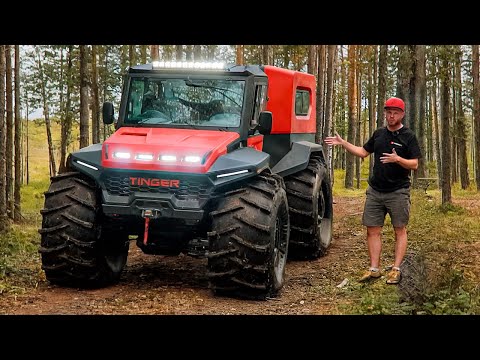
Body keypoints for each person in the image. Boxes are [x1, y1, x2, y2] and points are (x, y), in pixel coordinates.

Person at [323, 97, 422, 284]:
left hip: (398, 191)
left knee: (399, 229)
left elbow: (415, 164)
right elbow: (362, 152)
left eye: (395, 112)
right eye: (388, 112)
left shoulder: (408, 136)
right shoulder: (379, 134)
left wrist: (398, 159)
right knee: (372, 230)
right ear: (385, 113)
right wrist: (343, 143)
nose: (391, 116)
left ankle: (396, 269)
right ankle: (374, 269)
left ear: (402, 114)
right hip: (375, 191)